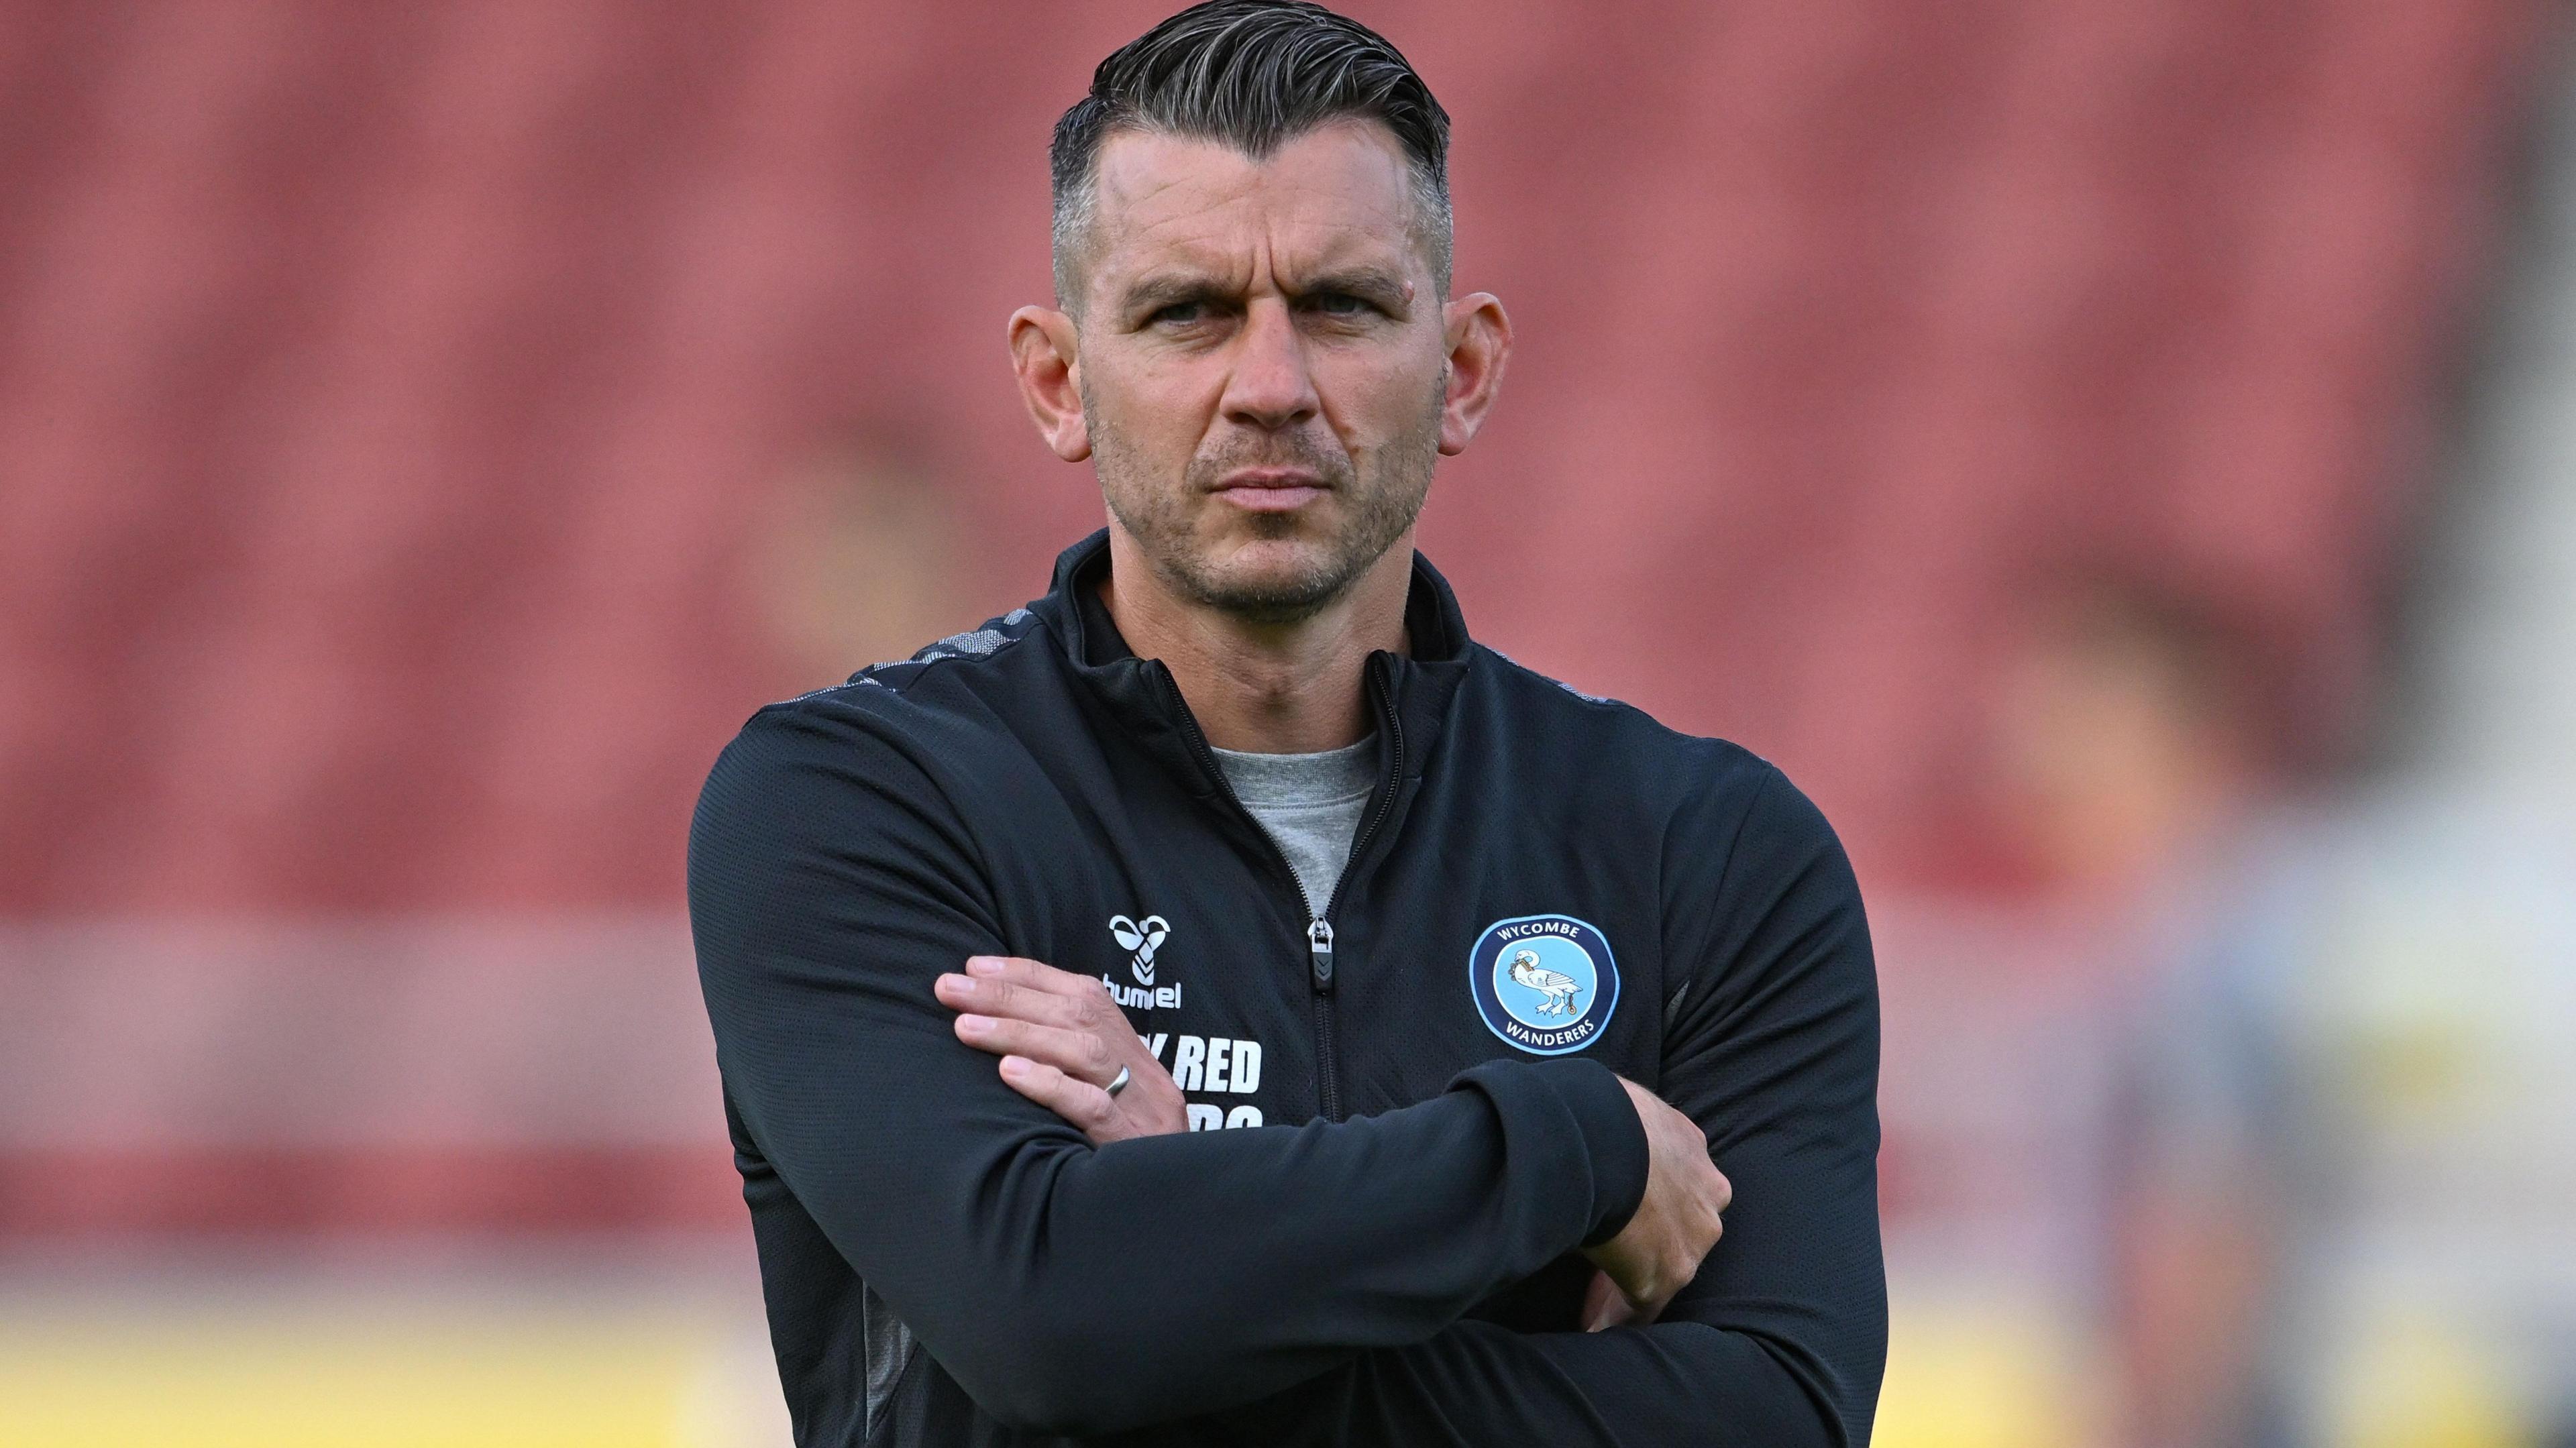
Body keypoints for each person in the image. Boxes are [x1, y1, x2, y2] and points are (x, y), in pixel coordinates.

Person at [688, 3, 1886, 1443]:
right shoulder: (862, 805)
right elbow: (1050, 1324)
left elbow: (1782, 1418)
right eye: (1187, 312)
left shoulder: (1706, 851)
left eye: (1342, 306)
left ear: (1462, 371)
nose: (1269, 388)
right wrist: (1569, 1140)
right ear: (1060, 384)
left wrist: (1182, 1245)